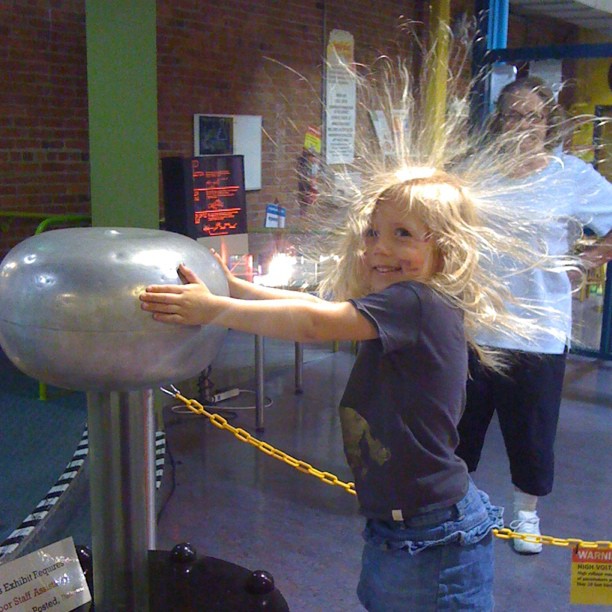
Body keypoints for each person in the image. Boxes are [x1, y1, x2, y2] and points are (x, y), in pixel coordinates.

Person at [140, 162, 560, 610]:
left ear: (447, 248)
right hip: (403, 523)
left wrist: (215, 310)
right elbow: (314, 305)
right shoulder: (405, 304)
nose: (380, 248)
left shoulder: (416, 301)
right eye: (372, 232)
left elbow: (314, 323)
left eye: (402, 234)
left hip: (432, 533)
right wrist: (235, 288)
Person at [455, 76, 612, 555]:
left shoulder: (570, 175)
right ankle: (459, 506)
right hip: (474, 325)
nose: (522, 125)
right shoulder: (475, 171)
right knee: (460, 428)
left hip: (538, 331)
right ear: (498, 121)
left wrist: (587, 261)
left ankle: (526, 515)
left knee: (532, 432)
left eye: (533, 117)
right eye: (513, 115)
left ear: (548, 123)